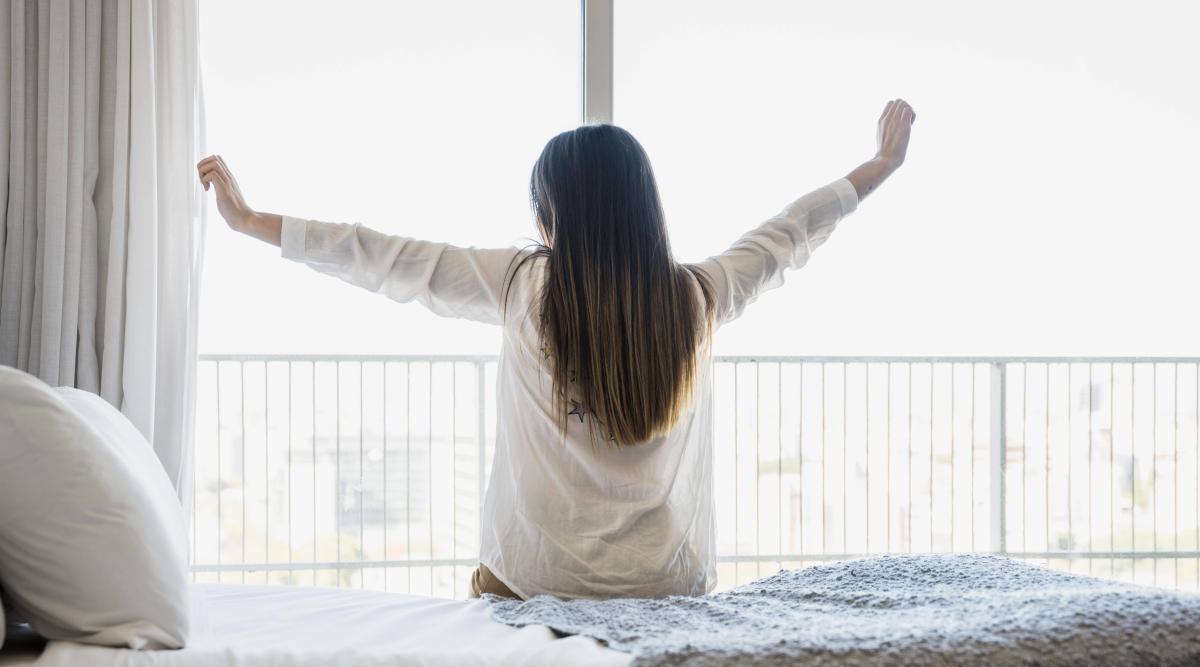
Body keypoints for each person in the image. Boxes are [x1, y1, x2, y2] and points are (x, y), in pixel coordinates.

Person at [196, 99, 915, 600]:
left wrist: (252, 220)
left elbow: (384, 258)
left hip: (528, 584)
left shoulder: (520, 285)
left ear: (551, 216)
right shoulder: (698, 296)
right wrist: (879, 165)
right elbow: (793, 232)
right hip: (667, 589)